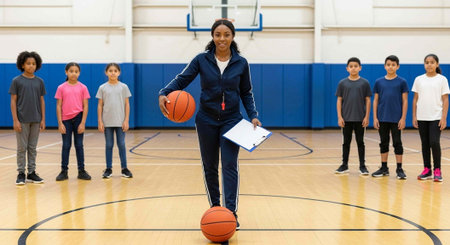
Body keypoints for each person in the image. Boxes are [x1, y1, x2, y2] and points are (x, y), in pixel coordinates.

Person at [158, 19, 261, 230]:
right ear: (212, 37)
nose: (222, 39)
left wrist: (253, 115)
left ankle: (230, 212)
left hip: (232, 120)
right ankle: (216, 209)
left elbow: (246, 93)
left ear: (232, 37)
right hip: (206, 120)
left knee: (230, 166)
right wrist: (163, 92)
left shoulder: (241, 63)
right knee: (210, 167)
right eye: (217, 35)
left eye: (226, 35)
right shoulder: (201, 60)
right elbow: (182, 79)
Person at [9, 51, 46, 185]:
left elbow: (42, 101)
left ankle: (31, 172)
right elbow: (13, 101)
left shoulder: (39, 81)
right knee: (21, 147)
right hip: (22, 119)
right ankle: (21, 173)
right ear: (22, 65)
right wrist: (15, 120)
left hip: (36, 119)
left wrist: (43, 119)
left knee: (32, 147)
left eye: (33, 64)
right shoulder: (17, 81)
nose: (31, 66)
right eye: (28, 63)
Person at [412, 54, 449, 182]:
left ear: (437, 64)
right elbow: (415, 99)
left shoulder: (442, 79)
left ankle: (437, 170)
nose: (429, 64)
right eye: (427, 62)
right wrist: (414, 116)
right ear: (424, 64)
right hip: (422, 116)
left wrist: (443, 118)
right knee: (425, 144)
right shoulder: (419, 79)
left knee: (434, 142)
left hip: (436, 117)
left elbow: (445, 100)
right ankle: (427, 169)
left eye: (432, 62)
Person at [372, 55, 408, 179]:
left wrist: (403, 118)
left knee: (397, 142)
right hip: (382, 118)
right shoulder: (379, 82)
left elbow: (405, 101)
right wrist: (375, 118)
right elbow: (375, 101)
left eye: (393, 64)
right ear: (384, 66)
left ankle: (399, 168)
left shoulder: (402, 82)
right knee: (383, 143)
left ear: (397, 66)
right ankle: (384, 168)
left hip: (396, 119)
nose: (390, 67)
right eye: (388, 64)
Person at [55, 62, 92, 181]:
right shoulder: (61, 87)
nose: (73, 73)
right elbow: (58, 106)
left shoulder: (83, 87)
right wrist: (60, 123)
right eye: (71, 71)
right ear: (66, 72)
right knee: (66, 145)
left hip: (78, 119)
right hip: (65, 120)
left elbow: (85, 106)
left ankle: (81, 170)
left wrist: (83, 122)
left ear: (79, 73)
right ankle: (64, 171)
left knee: (79, 145)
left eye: (76, 71)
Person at [335, 57, 372, 175]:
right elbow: (339, 100)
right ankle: (344, 165)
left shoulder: (365, 83)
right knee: (346, 142)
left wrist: (367, 117)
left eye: (356, 66)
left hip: (360, 119)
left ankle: (362, 165)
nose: (353, 68)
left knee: (360, 142)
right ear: (347, 68)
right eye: (351, 66)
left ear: (360, 68)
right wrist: (340, 117)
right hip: (346, 119)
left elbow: (368, 100)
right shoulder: (342, 83)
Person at [96, 63, 133, 179]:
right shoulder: (102, 87)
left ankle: (124, 168)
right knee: (109, 145)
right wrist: (100, 121)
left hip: (120, 121)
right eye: (110, 70)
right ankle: (108, 168)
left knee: (121, 144)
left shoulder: (124, 87)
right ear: (106, 73)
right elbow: (100, 105)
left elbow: (127, 104)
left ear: (119, 73)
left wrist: (126, 120)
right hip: (107, 122)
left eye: (115, 71)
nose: (113, 73)